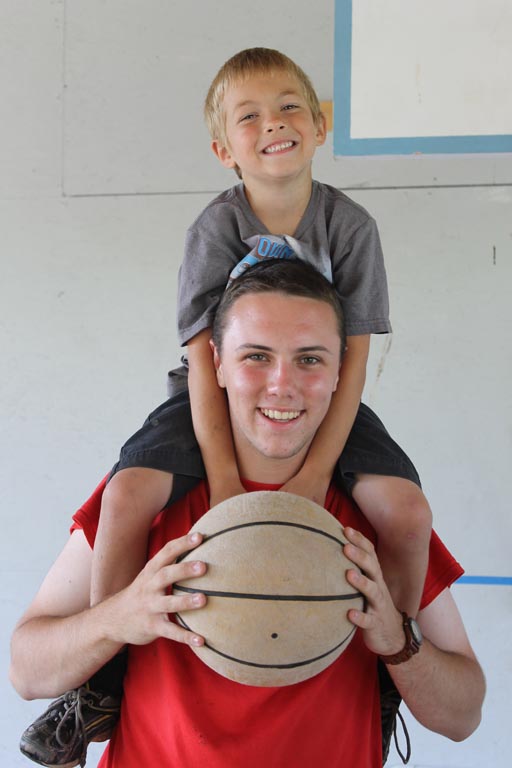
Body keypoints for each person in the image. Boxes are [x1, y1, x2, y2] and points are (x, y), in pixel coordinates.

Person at [20, 48, 435, 764]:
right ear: (223, 150)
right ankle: (99, 685)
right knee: (125, 495)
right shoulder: (215, 228)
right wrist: (222, 483)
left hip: (328, 391)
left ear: (321, 126)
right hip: (206, 394)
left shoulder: (352, 226)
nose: (274, 124)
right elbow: (203, 361)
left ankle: (386, 675)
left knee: (408, 510)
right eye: (250, 117)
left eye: (290, 107)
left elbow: (354, 360)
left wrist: (314, 477)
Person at [11, 261, 485, 768]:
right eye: (256, 356)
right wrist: (116, 618)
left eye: (309, 359)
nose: (282, 385)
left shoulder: (378, 515)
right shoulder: (148, 495)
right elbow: (26, 672)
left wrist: (399, 644)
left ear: (341, 372)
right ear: (215, 364)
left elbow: (462, 717)